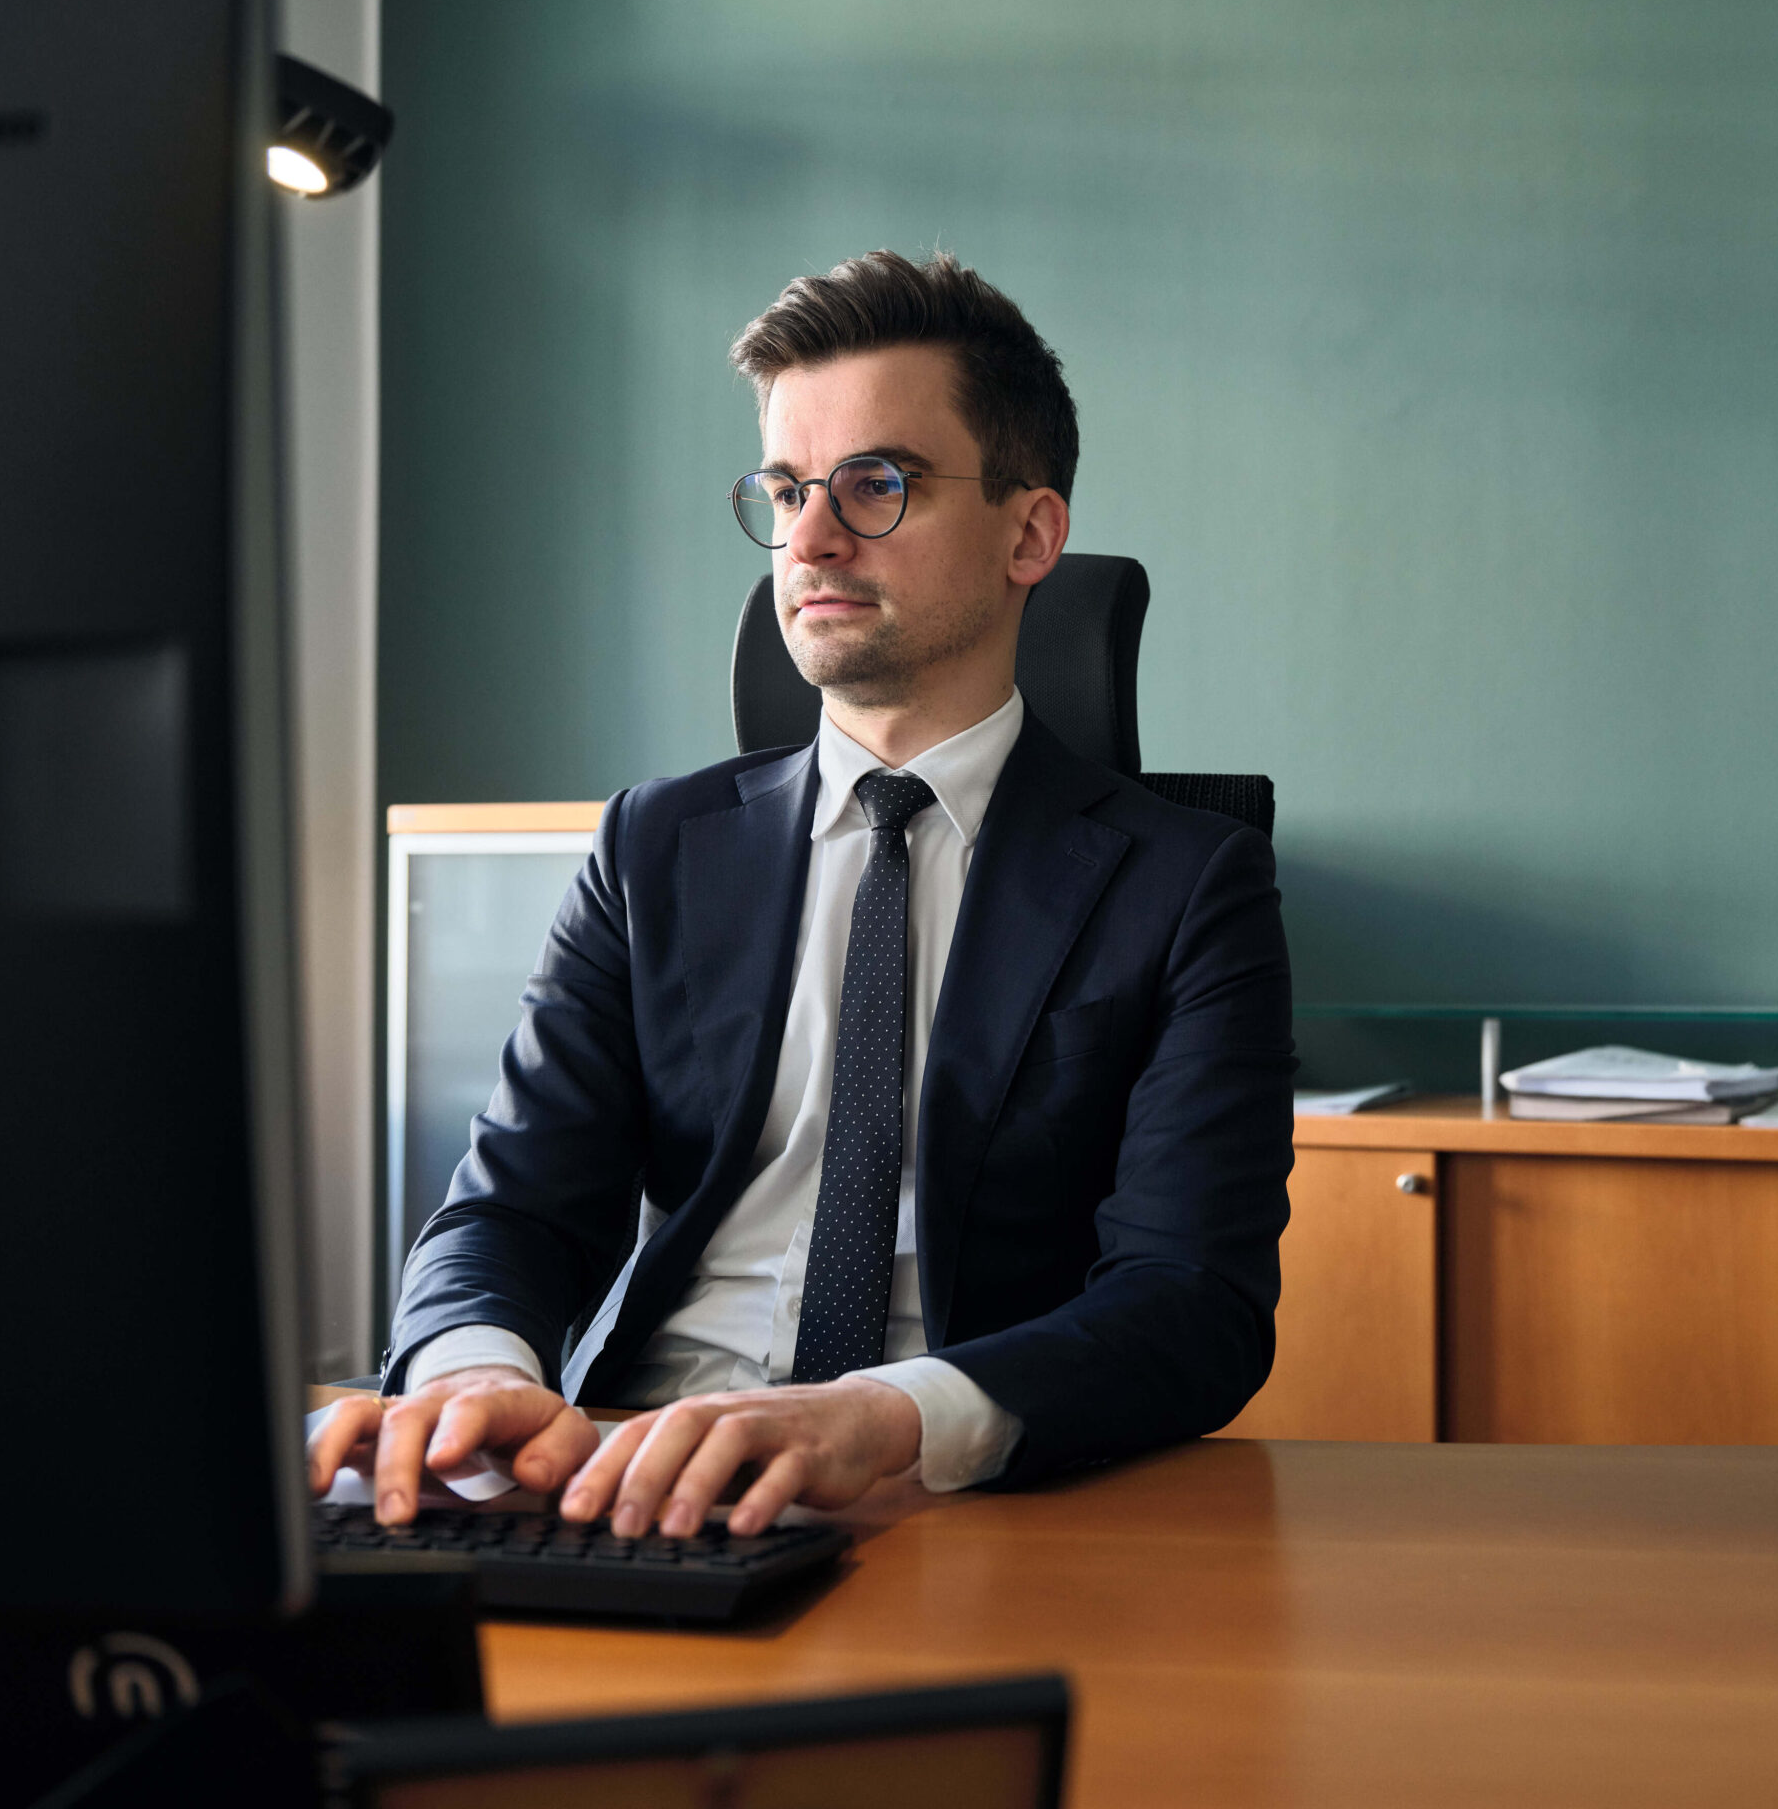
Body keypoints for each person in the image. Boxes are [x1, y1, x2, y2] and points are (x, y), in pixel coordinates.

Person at [311, 251, 1294, 1539]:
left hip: (954, 1490)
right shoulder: (656, 846)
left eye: (877, 485)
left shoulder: (1185, 883)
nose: (811, 538)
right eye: (785, 489)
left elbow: (1190, 1301)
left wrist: (887, 1416)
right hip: (630, 1469)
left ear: (1030, 533)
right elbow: (509, 1205)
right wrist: (475, 1375)